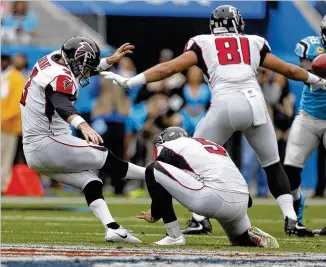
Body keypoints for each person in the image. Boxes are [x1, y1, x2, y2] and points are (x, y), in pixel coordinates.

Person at [102, 5, 325, 237]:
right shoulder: (253, 42)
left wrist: (131, 81)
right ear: (239, 24)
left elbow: (168, 68)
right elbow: (288, 70)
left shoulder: (202, 42)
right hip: (255, 104)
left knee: (191, 159)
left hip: (225, 105)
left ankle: (199, 219)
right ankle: (291, 219)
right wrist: (318, 80)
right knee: (272, 164)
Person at [20, 36, 145, 243]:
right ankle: (156, 175)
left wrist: (108, 61)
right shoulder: (59, 76)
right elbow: (61, 104)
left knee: (91, 180)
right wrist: (82, 124)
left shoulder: (51, 60)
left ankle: (112, 228)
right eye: (83, 66)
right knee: (102, 156)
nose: (85, 72)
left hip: (35, 150)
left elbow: (80, 70)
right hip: (49, 143)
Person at [136, 126, 279, 248]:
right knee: (240, 240)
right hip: (241, 201)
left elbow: (157, 174)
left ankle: (174, 236)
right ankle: (247, 235)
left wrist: (155, 213)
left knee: (153, 169)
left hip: (212, 197)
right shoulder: (212, 146)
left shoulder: (169, 146)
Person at [284, 16, 326, 224]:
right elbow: (302, 72)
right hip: (308, 116)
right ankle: (295, 207)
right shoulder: (311, 46)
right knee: (291, 167)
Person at [1, 54, 26, 193]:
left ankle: (3, 187)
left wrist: (2, 118)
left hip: (8, 126)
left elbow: (16, 105)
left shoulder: (15, 78)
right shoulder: (6, 77)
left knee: (5, 159)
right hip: (4, 124)